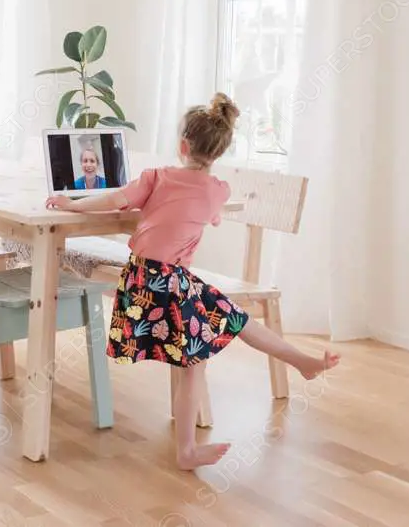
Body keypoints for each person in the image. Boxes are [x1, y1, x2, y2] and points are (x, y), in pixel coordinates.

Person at [45, 92, 340, 471]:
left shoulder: (156, 177)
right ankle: (187, 450)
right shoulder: (218, 191)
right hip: (167, 283)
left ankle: (302, 362)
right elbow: (209, 216)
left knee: (234, 321)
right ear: (218, 152)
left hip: (148, 280)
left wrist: (72, 203)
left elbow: (117, 200)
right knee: (197, 361)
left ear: (182, 145)